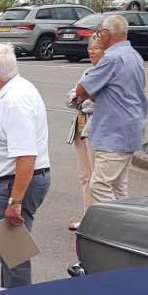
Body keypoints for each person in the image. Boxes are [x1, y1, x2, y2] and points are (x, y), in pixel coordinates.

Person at [0, 44, 51, 288]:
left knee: (14, 256)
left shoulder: (14, 101)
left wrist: (15, 201)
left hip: (11, 183)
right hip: (8, 182)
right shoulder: (6, 93)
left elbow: (26, 156)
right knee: (11, 254)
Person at [75, 14, 148, 204]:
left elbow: (81, 90)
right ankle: (126, 219)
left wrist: (92, 90)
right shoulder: (134, 56)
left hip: (113, 133)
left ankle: (116, 221)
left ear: (106, 34)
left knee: (99, 185)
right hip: (131, 129)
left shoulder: (111, 58)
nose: (98, 38)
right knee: (118, 187)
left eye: (99, 34)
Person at [65, 39, 103, 230]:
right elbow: (70, 98)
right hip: (79, 127)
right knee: (85, 176)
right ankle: (88, 217)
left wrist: (80, 98)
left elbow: (95, 102)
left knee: (98, 177)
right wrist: (80, 98)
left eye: (96, 48)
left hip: (95, 128)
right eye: (90, 48)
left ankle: (101, 220)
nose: (91, 51)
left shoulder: (105, 72)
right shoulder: (88, 72)